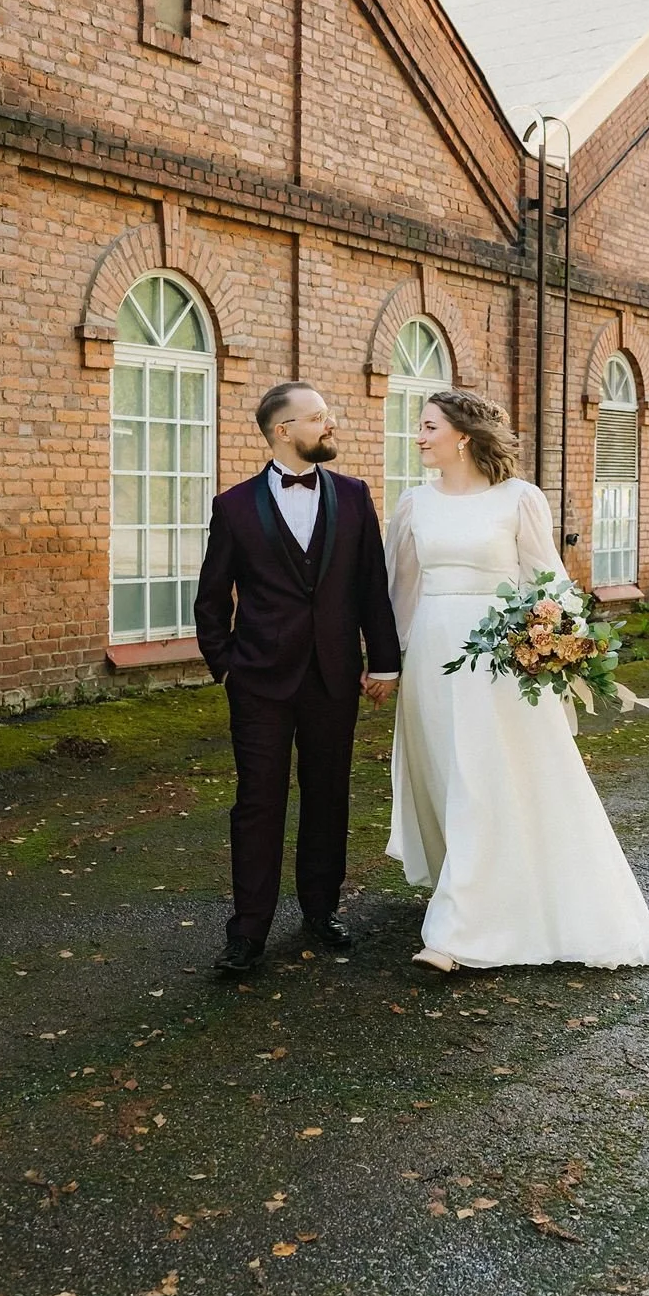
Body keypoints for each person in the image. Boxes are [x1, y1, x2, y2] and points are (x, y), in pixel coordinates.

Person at [384, 389, 649, 972]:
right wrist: (389, 659)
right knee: (443, 774)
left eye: (428, 426)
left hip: (497, 656)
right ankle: (475, 889)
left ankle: (458, 932)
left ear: (462, 435)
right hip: (432, 658)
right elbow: (401, 589)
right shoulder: (414, 503)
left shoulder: (519, 499)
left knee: (484, 777)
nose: (419, 437)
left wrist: (562, 644)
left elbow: (548, 580)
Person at [193, 381, 401, 977]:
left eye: (327, 415)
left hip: (334, 677)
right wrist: (225, 666)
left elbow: (371, 588)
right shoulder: (233, 507)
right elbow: (211, 599)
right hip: (259, 679)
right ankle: (247, 933)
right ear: (283, 431)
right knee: (257, 803)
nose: (329, 425)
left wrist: (383, 661)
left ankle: (320, 909)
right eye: (317, 417)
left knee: (328, 796)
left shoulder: (355, 497)